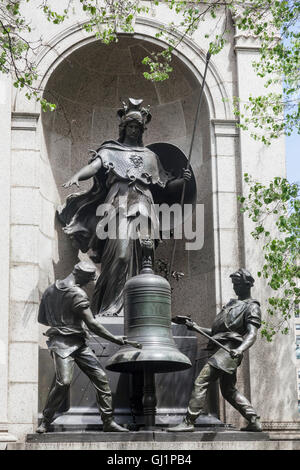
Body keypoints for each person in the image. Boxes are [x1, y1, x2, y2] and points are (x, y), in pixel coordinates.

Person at [58, 98, 192, 317]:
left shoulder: (150, 157)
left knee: (143, 256)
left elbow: (165, 184)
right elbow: (94, 166)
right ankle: (109, 306)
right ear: (123, 127)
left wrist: (183, 181)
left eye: (137, 127)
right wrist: (77, 176)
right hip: (118, 204)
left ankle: (137, 310)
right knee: (120, 254)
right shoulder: (111, 149)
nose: (133, 130)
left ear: (142, 130)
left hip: (144, 205)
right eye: (130, 126)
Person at [36, 262, 129, 433]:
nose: (90, 284)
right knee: (63, 382)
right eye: (89, 280)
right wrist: (115, 339)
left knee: (101, 378)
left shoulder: (49, 291)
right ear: (82, 277)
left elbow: (42, 319)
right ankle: (46, 421)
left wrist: (62, 320)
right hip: (62, 344)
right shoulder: (77, 293)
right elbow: (92, 324)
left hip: (78, 344)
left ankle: (108, 421)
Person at [168, 268, 262, 433]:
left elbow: (252, 334)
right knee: (228, 390)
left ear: (247, 285)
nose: (234, 288)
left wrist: (240, 349)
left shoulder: (252, 307)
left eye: (237, 284)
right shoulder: (232, 305)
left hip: (229, 350)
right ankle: (253, 419)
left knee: (201, 381)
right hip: (222, 349)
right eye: (233, 284)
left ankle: (189, 421)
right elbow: (216, 333)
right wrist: (194, 326)